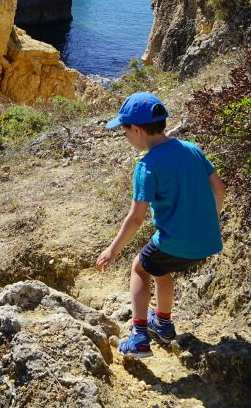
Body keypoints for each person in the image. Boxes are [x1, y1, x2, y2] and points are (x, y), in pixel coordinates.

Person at [95, 91, 225, 359]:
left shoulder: (147, 165)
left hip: (175, 240)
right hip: (208, 242)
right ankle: (163, 324)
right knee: (160, 269)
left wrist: (113, 250)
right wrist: (209, 219)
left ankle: (140, 336)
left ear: (138, 129)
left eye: (125, 131)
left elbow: (136, 218)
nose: (126, 137)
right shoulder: (193, 149)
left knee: (140, 268)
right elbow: (219, 189)